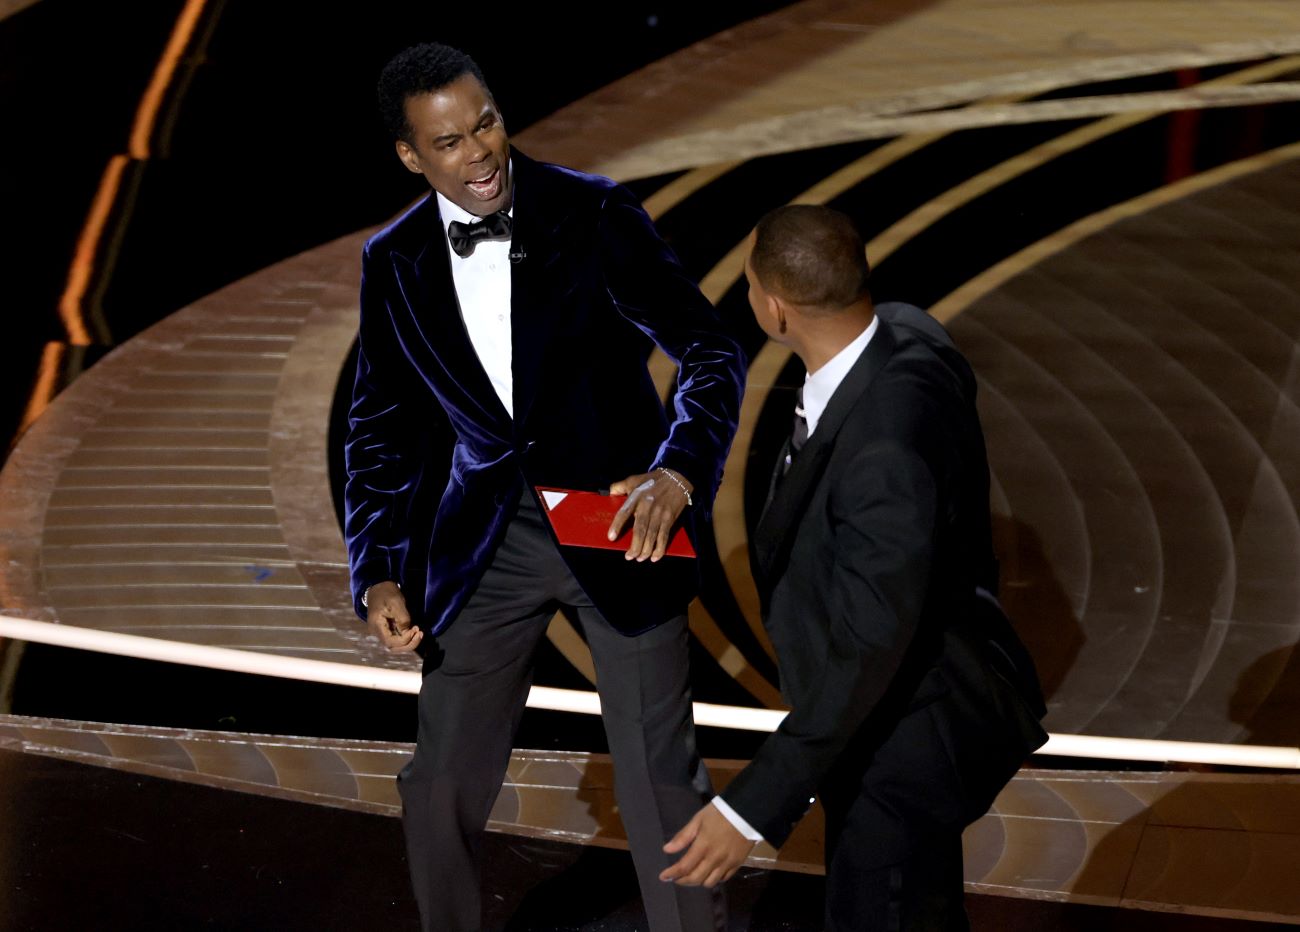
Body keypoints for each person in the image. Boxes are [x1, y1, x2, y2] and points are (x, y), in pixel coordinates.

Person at [343, 42, 745, 932]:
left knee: (657, 784)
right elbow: (379, 428)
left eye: (484, 122)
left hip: (618, 519)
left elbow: (711, 349)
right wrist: (375, 569)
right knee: (437, 780)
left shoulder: (594, 212)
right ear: (413, 157)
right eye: (447, 142)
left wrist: (681, 469)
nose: (479, 152)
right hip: (488, 540)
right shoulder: (395, 259)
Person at [660, 205, 1047, 930]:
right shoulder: (912, 333)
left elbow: (873, 644)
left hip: (897, 747)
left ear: (774, 310)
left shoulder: (883, 455)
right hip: (898, 715)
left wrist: (750, 807)